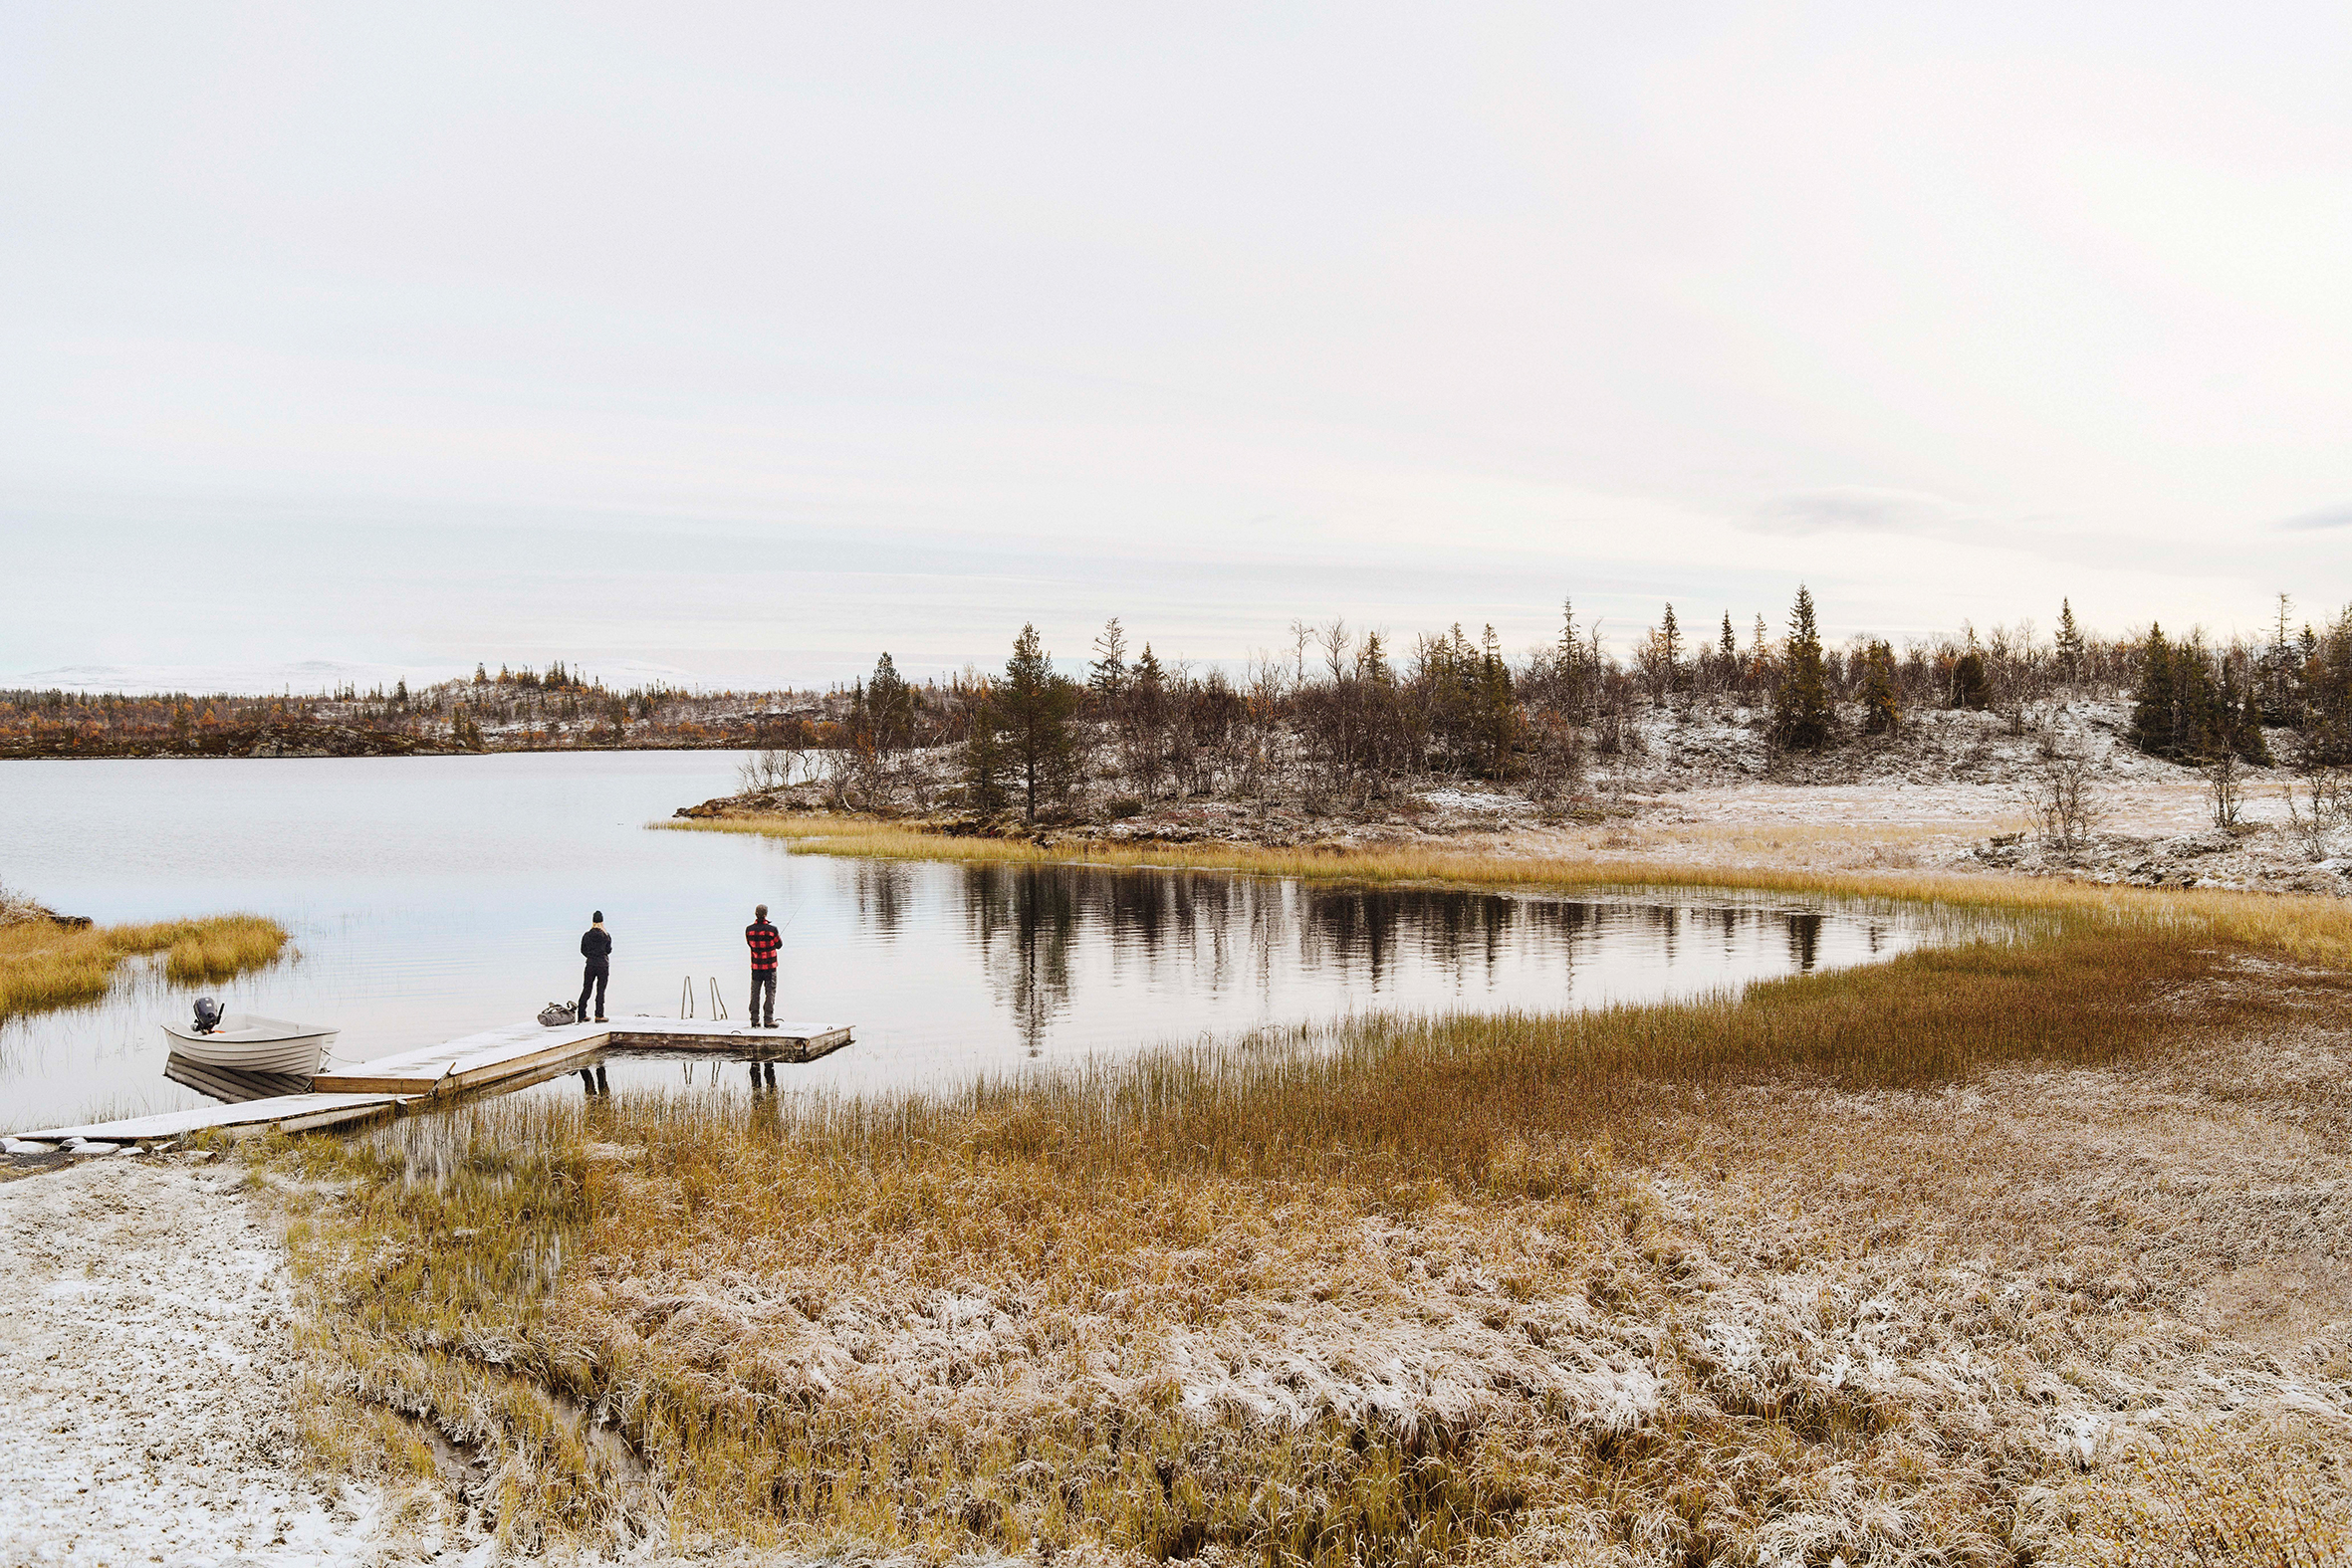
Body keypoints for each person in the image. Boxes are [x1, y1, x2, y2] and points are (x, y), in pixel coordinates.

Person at [745, 903, 781, 1027]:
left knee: (755, 993)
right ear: (765, 915)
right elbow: (779, 945)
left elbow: (749, 943)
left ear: (756, 914)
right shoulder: (772, 930)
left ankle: (754, 1020)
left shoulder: (749, 930)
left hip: (756, 967)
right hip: (770, 967)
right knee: (770, 992)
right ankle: (768, 1020)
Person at [578, 911, 611, 1022]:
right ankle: (599, 1015)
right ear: (602, 921)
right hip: (603, 965)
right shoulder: (606, 935)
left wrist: (591, 956)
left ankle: (582, 1015)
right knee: (600, 990)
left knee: (587, 989)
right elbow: (608, 950)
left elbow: (583, 950)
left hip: (590, 964)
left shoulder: (587, 935)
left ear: (592, 921)